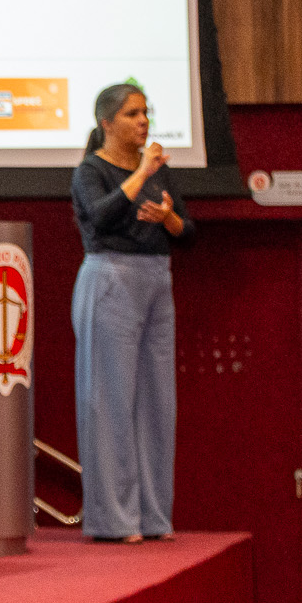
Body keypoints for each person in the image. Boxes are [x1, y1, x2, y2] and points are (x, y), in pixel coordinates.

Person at [70, 83, 195, 545]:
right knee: (110, 402)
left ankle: (153, 516)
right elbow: (100, 216)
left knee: (158, 403)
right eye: (133, 114)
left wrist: (168, 219)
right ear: (107, 123)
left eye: (146, 113)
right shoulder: (91, 170)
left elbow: (188, 231)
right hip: (111, 278)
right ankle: (114, 520)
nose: (144, 121)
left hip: (156, 279)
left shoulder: (160, 171)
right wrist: (142, 172)